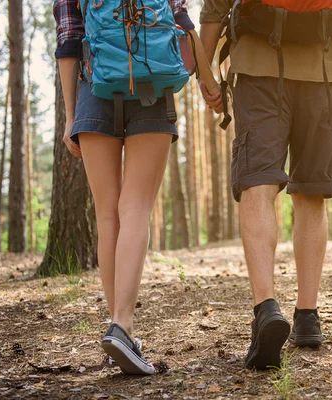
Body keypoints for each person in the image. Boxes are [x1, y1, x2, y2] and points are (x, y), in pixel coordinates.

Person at [199, 0, 332, 369]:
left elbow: (214, 8)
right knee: (312, 192)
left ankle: (266, 307)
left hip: (256, 67)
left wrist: (206, 73)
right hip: (325, 67)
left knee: (257, 184)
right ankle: (308, 316)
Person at [54, 0, 216, 375]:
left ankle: (119, 327)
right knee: (136, 207)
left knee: (107, 214)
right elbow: (182, 23)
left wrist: (70, 114)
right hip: (153, 85)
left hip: (93, 88)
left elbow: (68, 40)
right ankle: (122, 326)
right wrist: (208, 81)